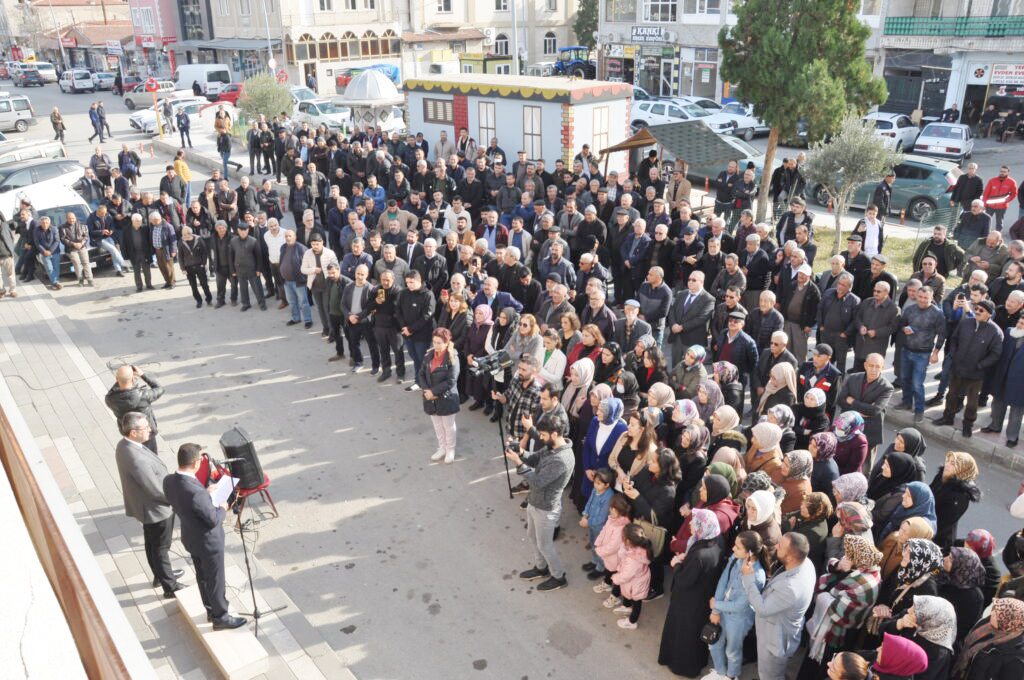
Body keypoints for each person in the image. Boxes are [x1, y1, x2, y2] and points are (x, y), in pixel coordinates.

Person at [162, 443, 246, 630]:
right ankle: (221, 617)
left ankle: (210, 610)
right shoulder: (195, 492)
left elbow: (187, 502)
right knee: (215, 579)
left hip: (191, 537)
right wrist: (223, 508)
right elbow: (213, 518)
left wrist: (205, 495)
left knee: (202, 576)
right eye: (201, 458)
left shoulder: (169, 480)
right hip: (208, 541)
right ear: (195, 463)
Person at [115, 412, 183, 598]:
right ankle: (170, 586)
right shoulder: (137, 459)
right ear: (133, 432)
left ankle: (160, 576)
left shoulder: (124, 446)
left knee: (152, 544)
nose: (150, 430)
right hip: (156, 510)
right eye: (146, 428)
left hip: (145, 508)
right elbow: (155, 490)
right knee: (161, 548)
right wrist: (178, 499)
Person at [507, 413, 575, 592]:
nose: (541, 438)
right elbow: (535, 459)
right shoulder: (553, 447)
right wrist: (520, 452)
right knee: (532, 536)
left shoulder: (561, 459)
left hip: (545, 508)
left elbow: (537, 481)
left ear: (554, 434)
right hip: (534, 502)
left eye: (543, 435)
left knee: (545, 544)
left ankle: (558, 577)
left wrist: (518, 463)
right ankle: (541, 568)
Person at [742, 532, 817, 680]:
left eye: (780, 546)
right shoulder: (805, 562)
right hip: (774, 630)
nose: (776, 546)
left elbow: (762, 609)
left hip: (776, 640)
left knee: (770, 675)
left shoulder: (791, 587)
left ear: (790, 557)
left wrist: (748, 578)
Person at [933, 299, 1003, 437]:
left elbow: (995, 354)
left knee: (971, 404)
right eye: (976, 308)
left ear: (989, 314)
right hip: (957, 369)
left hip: (975, 374)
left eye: (981, 310)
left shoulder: (995, 332)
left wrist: (980, 365)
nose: (976, 311)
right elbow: (954, 339)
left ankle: (967, 425)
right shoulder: (965, 323)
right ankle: (948, 418)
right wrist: (954, 355)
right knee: (951, 396)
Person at [418, 327, 460, 464]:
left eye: (439, 343)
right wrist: (426, 391)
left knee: (448, 425)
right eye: (434, 342)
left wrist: (433, 392)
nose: (436, 345)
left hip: (447, 398)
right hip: (429, 397)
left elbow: (451, 381)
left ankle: (450, 449)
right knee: (437, 425)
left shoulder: (453, 357)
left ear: (447, 342)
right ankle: (442, 447)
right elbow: (421, 374)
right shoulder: (428, 355)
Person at [105, 364, 164, 453]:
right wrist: (142, 375)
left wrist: (122, 379)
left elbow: (113, 391)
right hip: (146, 432)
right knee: (151, 456)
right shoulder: (144, 396)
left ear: (117, 379)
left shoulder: (111, 399)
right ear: (132, 379)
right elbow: (159, 388)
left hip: (129, 433)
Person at [985, 316, 1024, 446]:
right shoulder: (1008, 332)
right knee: (998, 402)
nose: (1019, 325)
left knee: (1016, 410)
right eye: (1019, 321)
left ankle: (1012, 437)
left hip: (1020, 381)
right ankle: (995, 426)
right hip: (1002, 375)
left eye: (1023, 323)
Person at [608, 522, 654, 630]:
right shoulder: (637, 549)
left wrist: (615, 578)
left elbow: (625, 575)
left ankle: (632, 622)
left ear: (629, 541)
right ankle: (627, 606)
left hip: (636, 583)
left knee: (637, 601)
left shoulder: (633, 559)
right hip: (635, 580)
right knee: (627, 593)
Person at [178, 225, 211, 308]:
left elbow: (204, 252)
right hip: (188, 267)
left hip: (199, 265)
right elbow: (180, 256)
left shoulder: (199, 239)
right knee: (193, 286)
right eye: (182, 234)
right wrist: (182, 268)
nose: (183, 236)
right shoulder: (181, 242)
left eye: (185, 234)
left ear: (190, 234)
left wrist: (203, 263)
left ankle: (209, 299)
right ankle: (198, 301)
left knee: (204, 284)